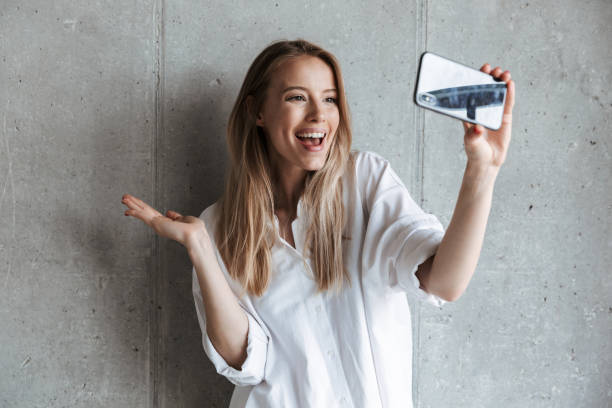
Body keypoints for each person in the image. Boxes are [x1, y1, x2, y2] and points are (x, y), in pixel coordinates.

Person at [121, 39, 515, 408]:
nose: (319, 115)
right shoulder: (219, 224)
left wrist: (483, 168)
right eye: (297, 97)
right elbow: (245, 363)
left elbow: (444, 282)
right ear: (256, 111)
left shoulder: (365, 181)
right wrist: (201, 249)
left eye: (329, 99)